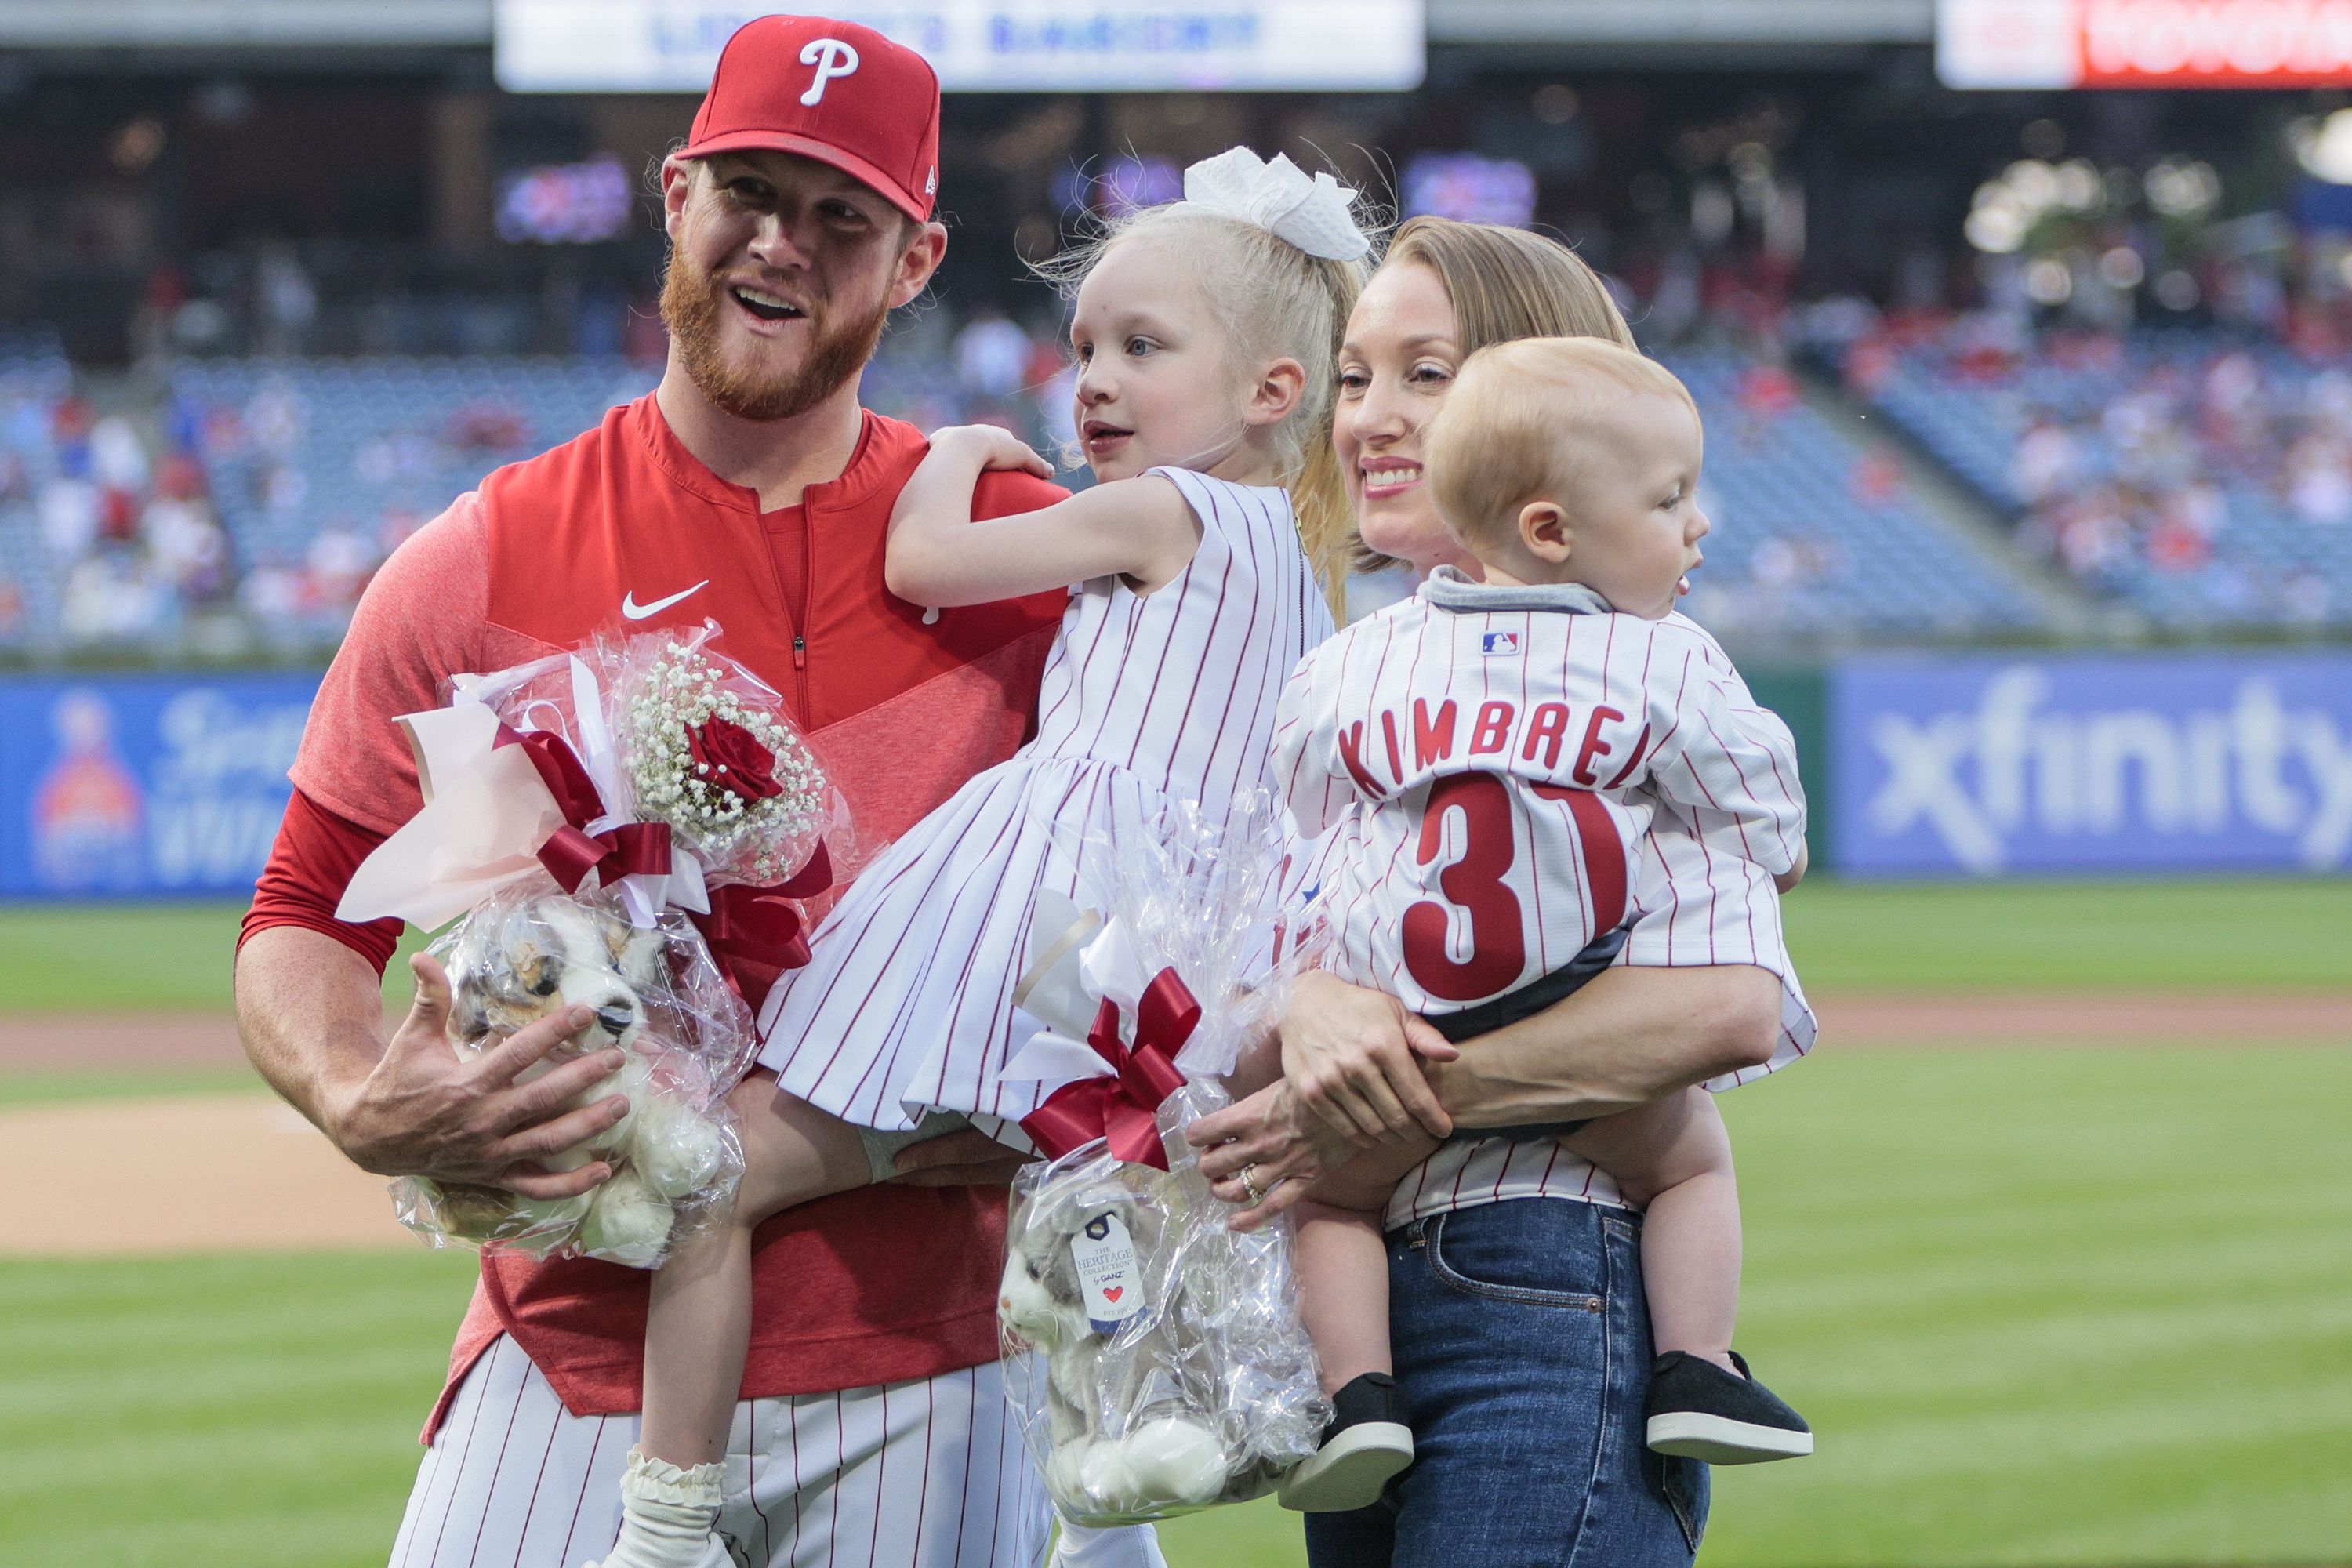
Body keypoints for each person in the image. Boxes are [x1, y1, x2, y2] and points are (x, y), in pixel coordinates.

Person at [233, 17, 1156, 1567]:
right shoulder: (485, 554)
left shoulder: (1030, 560)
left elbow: (1176, 900)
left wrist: (1061, 1084)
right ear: (674, 193)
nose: (780, 244)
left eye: (839, 216)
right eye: (747, 190)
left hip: (936, 1355)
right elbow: (298, 912)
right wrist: (349, 1086)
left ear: (917, 257)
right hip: (572, 1350)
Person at [604, 146, 1370, 1568]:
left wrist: (954, 451)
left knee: (720, 1175)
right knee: (1085, 1204)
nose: (1092, 380)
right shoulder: (1310, 578)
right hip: (1185, 948)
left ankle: (666, 1521)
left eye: (1143, 347)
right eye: (1084, 346)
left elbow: (923, 564)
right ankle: (1108, 1513)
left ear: (1273, 392)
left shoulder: (1172, 509)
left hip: (1051, 921)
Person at [1183, 216, 1819, 1568]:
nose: (1373, 418)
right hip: (1357, 1317)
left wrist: (1382, 1105)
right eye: (1355, 376)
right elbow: (1237, 1012)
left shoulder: (1655, 667)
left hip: (1548, 1274)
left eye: (1431, 373)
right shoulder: (1352, 672)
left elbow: (1727, 1007)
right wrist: (1303, 1003)